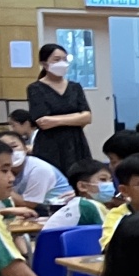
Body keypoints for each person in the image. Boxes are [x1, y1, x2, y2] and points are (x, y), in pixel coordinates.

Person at [25, 43, 90, 178]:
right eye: (56, 59)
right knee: (52, 179)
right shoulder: (35, 88)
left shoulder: (75, 87)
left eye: (65, 59)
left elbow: (87, 117)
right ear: (44, 64)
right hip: (50, 144)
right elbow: (43, 122)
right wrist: (75, 118)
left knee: (80, 177)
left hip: (76, 141)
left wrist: (56, 120)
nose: (62, 63)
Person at [0, 132, 69, 210]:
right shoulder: (11, 169)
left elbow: (29, 204)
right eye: (6, 148)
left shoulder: (38, 168)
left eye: (14, 146)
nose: (12, 178)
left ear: (26, 148)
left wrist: (4, 189)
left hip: (57, 208)